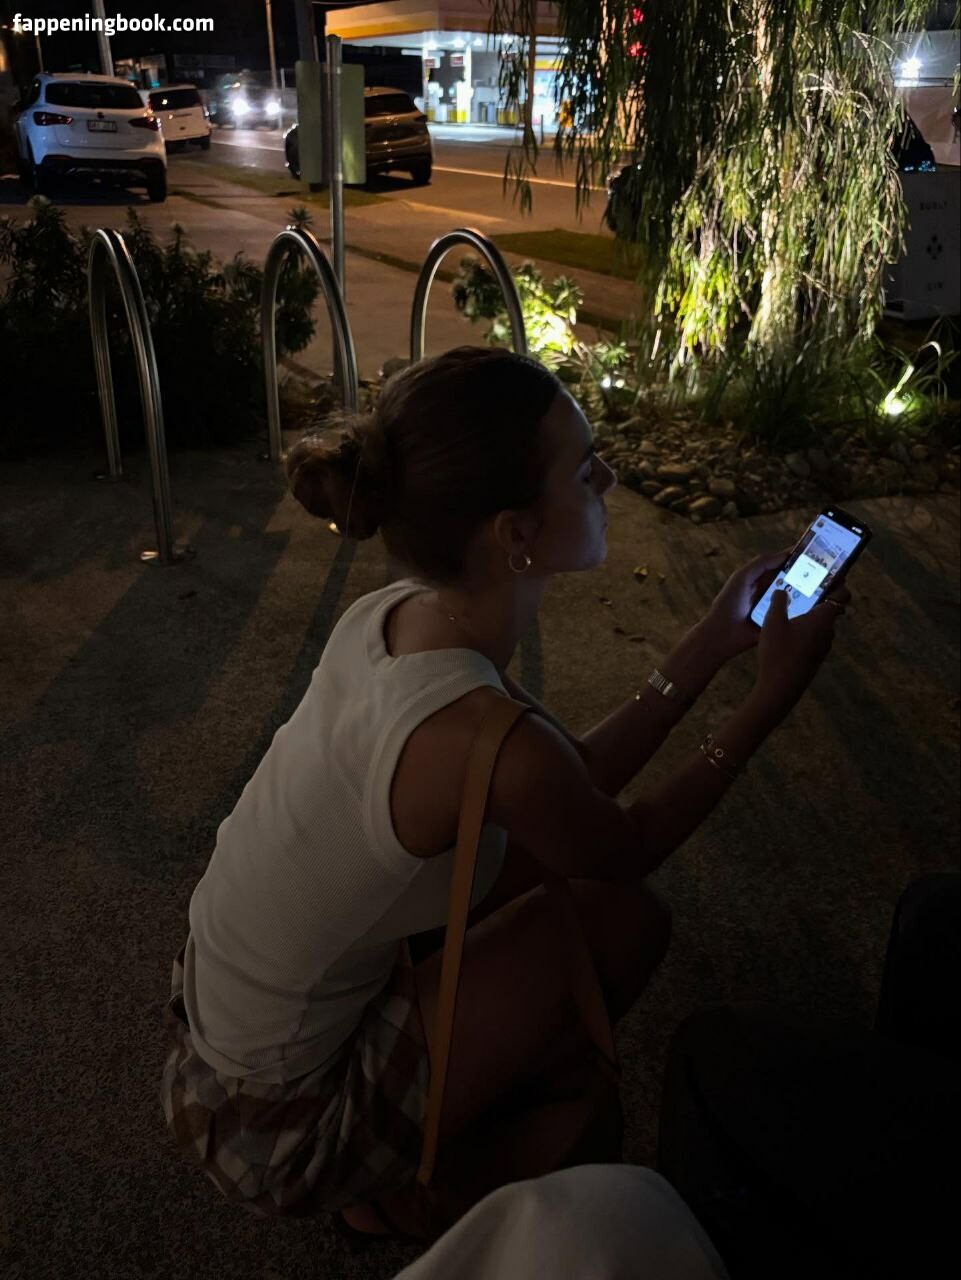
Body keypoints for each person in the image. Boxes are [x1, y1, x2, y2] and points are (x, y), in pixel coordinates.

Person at [159, 345, 851, 1242]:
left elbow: (570, 776)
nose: (608, 478)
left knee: (535, 874)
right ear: (515, 533)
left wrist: (712, 643)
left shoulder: (397, 614)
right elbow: (622, 845)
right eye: (584, 467)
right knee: (619, 921)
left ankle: (419, 1128)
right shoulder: (472, 729)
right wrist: (769, 699)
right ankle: (403, 1185)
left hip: (222, 1033)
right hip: (277, 1124)